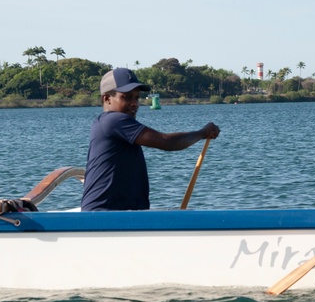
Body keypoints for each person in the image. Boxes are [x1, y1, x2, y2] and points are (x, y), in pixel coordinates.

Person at [81, 68, 220, 211]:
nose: (135, 103)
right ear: (107, 99)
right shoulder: (114, 120)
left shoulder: (106, 122)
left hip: (119, 214)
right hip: (103, 216)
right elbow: (167, 142)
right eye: (127, 97)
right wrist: (202, 133)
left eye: (136, 97)